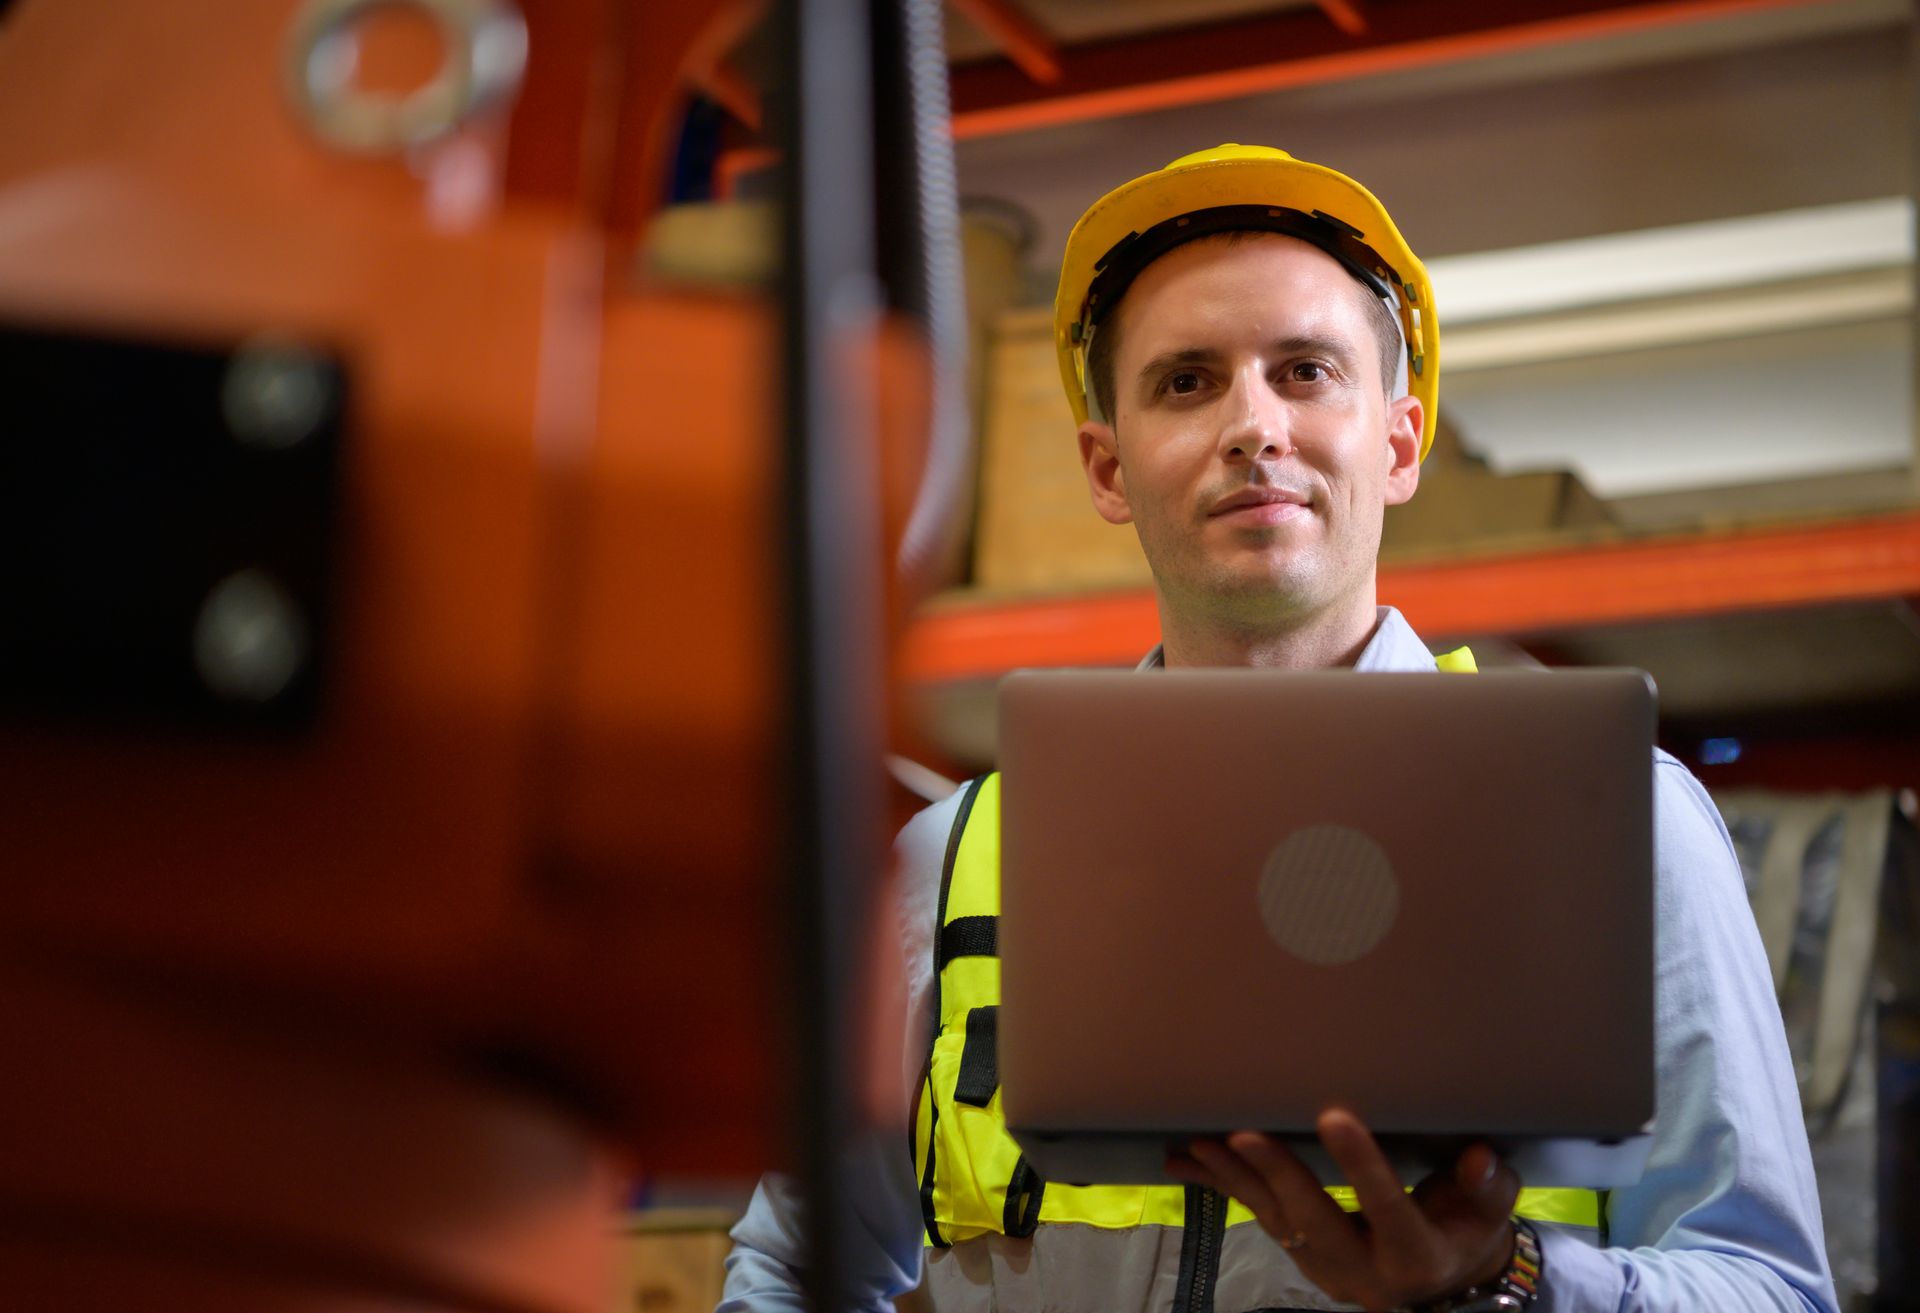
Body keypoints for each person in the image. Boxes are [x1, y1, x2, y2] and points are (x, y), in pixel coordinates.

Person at [720, 145, 1838, 1313]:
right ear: (1108, 466)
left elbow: (1769, 1287)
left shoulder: (1617, 823)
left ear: (1398, 443)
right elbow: (791, 1265)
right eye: (1186, 382)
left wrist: (1505, 1278)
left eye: (1305, 370)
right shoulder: (947, 862)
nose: (1255, 424)